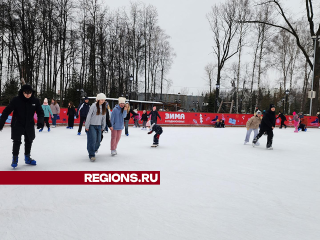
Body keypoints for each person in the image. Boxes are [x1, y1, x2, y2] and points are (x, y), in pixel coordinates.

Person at [0, 84, 44, 168]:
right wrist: (1, 123)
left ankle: (27, 158)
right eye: (26, 92)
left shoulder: (35, 100)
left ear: (32, 92)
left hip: (29, 124)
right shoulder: (16, 100)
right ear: (22, 92)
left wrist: (40, 122)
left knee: (29, 140)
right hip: (17, 124)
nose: (28, 94)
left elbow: (40, 112)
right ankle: (15, 159)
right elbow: (6, 111)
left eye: (29, 92)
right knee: (16, 141)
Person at [85, 93, 111, 161]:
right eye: (101, 100)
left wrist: (103, 126)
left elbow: (104, 117)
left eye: (104, 100)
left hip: (99, 126)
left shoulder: (103, 107)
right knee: (92, 140)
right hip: (92, 126)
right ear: (98, 99)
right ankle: (92, 155)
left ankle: (94, 149)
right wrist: (87, 125)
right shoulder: (93, 106)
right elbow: (89, 116)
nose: (102, 101)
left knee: (98, 140)